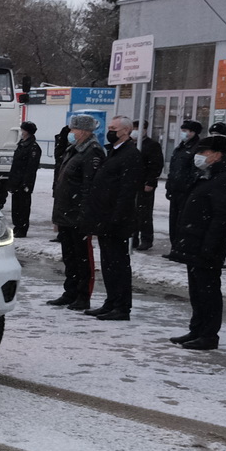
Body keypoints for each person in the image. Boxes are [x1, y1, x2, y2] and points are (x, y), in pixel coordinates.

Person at [169, 136, 226, 350]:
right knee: (197, 289)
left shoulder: (225, 177)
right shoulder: (206, 175)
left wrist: (209, 245)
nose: (199, 156)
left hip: (207, 243)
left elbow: (221, 216)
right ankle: (197, 329)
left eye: (204, 152)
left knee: (208, 290)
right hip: (195, 239)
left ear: (217, 155)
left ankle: (208, 334)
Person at [83, 115, 143, 319]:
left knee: (118, 264)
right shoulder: (114, 152)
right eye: (109, 128)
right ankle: (111, 301)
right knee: (108, 264)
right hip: (104, 217)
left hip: (116, 220)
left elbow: (127, 191)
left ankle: (121, 306)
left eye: (113, 129)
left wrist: (116, 218)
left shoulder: (130, 154)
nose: (109, 132)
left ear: (125, 131)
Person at [47, 115, 105, 311]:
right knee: (69, 257)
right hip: (66, 214)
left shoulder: (92, 152)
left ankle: (83, 295)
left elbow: (90, 187)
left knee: (82, 258)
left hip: (79, 216)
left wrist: (86, 215)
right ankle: (70, 292)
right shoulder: (74, 150)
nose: (71, 133)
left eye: (73, 130)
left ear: (84, 131)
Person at [162, 120, 204, 263]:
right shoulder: (180, 147)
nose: (183, 133)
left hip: (186, 191)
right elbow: (173, 169)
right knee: (174, 221)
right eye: (183, 130)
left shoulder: (197, 148)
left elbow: (195, 171)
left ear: (193, 132)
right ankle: (175, 248)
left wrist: (188, 187)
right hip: (176, 190)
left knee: (183, 221)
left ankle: (182, 249)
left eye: (186, 131)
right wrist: (169, 186)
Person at [132, 123, 165, 251]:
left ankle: (146, 239)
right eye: (134, 129)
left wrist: (150, 182)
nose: (135, 131)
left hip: (144, 184)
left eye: (138, 129)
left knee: (144, 213)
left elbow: (156, 165)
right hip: (132, 183)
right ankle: (133, 238)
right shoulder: (131, 144)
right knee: (131, 213)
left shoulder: (151, 145)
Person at [7, 121, 42, 238]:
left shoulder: (33, 147)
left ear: (27, 132)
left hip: (23, 183)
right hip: (16, 181)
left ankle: (22, 228)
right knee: (16, 207)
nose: (21, 132)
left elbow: (31, 168)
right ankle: (17, 227)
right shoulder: (21, 144)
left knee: (23, 207)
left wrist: (26, 183)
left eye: (23, 130)